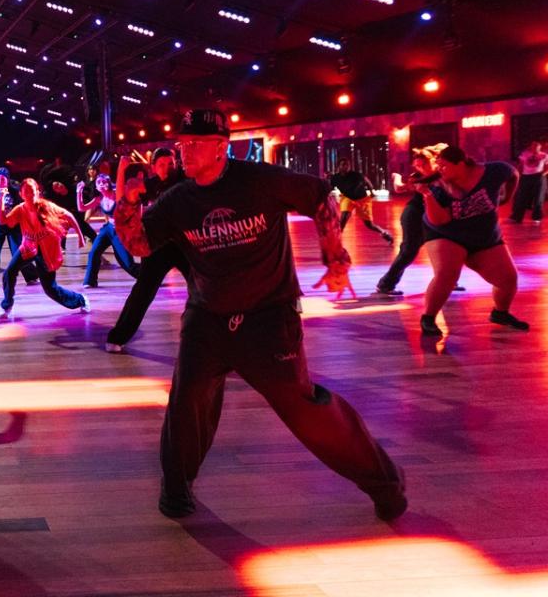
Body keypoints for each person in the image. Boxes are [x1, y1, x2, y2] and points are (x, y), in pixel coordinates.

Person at [115, 108, 406, 521]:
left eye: (194, 144)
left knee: (303, 408)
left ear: (221, 147)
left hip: (268, 319)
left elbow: (320, 196)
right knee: (187, 401)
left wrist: (335, 256)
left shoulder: (259, 180)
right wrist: (127, 204)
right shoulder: (179, 199)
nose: (184, 152)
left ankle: (385, 483)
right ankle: (176, 488)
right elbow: (141, 245)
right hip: (207, 319)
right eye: (182, 144)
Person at [416, 145, 528, 336]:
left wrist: (506, 197)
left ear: (460, 164)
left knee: (508, 279)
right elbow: (440, 220)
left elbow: (513, 174)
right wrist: (427, 194)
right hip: (446, 233)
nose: (440, 170)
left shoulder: (493, 171)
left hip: (484, 236)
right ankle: (428, 318)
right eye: (438, 166)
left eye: (444, 166)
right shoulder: (438, 185)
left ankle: (500, 313)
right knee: (447, 274)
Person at [107, 147, 189, 352]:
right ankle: (118, 337)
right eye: (161, 164)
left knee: (204, 287)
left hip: (185, 245)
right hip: (157, 246)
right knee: (143, 291)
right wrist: (121, 171)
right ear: (153, 167)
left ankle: (221, 338)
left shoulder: (185, 181)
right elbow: (122, 199)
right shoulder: (150, 185)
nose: (167, 168)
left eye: (170, 164)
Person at [375, 146, 464, 297]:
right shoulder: (418, 177)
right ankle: (385, 284)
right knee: (409, 251)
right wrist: (397, 177)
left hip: (433, 217)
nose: (421, 168)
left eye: (423, 164)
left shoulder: (442, 174)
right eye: (417, 165)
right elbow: (399, 188)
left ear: (432, 161)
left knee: (445, 246)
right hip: (414, 216)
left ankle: (448, 281)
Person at [0, 178, 90, 315]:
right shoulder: (20, 209)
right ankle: (7, 305)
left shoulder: (46, 206)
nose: (30, 195)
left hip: (46, 251)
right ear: (21, 194)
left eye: (32, 191)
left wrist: (80, 236)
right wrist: (1, 198)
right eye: (26, 192)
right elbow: (3, 220)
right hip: (28, 247)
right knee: (9, 273)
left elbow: (69, 216)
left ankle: (80, 300)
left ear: (38, 192)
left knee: (50, 289)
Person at [78, 173, 139, 288]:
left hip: (120, 231)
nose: (101, 184)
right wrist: (79, 192)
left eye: (104, 182)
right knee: (94, 252)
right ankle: (90, 281)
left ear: (109, 183)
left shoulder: (117, 195)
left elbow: (133, 206)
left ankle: (147, 276)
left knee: (127, 263)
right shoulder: (99, 199)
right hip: (107, 229)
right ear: (96, 187)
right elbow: (81, 208)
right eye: (98, 182)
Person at [0, 167, 37, 285]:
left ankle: (31, 276)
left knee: (18, 251)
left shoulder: (15, 192)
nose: (0, 181)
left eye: (3, 179)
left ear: (7, 180)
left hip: (13, 225)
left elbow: (24, 207)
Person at [329, 159, 393, 244]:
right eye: (343, 164)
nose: (346, 166)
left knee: (369, 225)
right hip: (348, 198)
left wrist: (372, 191)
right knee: (343, 218)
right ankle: (336, 240)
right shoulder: (335, 178)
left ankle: (384, 232)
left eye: (347, 165)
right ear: (339, 166)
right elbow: (329, 187)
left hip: (362, 200)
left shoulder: (355, 175)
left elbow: (366, 181)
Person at [510, 140, 546, 224]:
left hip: (538, 177)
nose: (535, 148)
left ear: (540, 147)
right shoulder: (525, 154)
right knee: (521, 197)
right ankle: (517, 217)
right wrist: (518, 174)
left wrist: (543, 174)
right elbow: (520, 165)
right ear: (531, 147)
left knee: (539, 197)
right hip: (526, 177)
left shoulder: (544, 155)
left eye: (537, 146)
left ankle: (537, 217)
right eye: (533, 146)